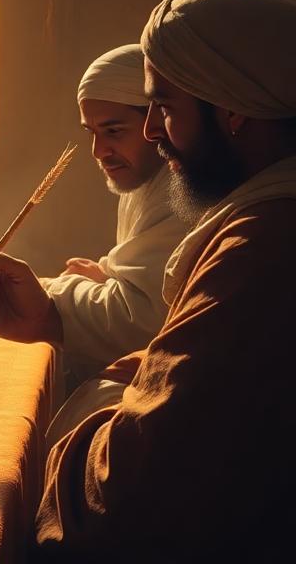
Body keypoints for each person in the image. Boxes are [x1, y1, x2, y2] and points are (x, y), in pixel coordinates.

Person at [0, 0, 296, 560]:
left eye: (166, 106)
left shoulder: (275, 248)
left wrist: (81, 414)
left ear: (232, 109)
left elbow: (131, 494)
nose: (152, 130)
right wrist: (58, 317)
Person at [45, 44, 189, 393]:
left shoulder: (182, 192)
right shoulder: (141, 182)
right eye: (92, 133)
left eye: (113, 131)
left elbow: (140, 323)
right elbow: (135, 274)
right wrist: (107, 279)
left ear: (157, 122)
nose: (99, 152)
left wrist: (48, 294)